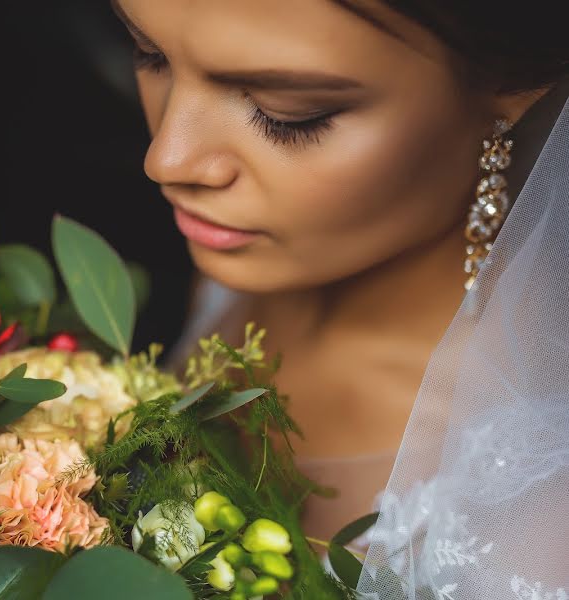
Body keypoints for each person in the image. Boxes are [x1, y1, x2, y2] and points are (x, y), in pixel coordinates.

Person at [111, 0, 569, 597]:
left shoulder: (540, 510)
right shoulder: (245, 262)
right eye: (152, 56)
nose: (168, 159)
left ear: (513, 91)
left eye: (289, 115)